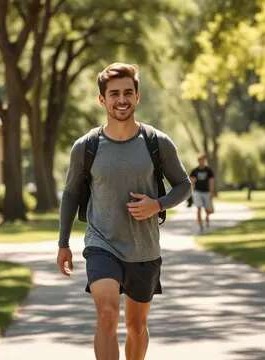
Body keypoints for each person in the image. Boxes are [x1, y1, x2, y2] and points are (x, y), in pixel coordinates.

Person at [57, 63, 191, 360]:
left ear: (137, 97)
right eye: (114, 93)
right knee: (106, 314)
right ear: (102, 99)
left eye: (128, 92)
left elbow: (184, 185)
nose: (122, 99)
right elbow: (71, 194)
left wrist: (158, 204)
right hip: (101, 243)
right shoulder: (86, 146)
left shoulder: (157, 142)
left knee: (136, 324)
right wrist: (63, 243)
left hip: (144, 248)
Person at [189, 155, 215, 232]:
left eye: (203, 160)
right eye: (200, 160)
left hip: (206, 192)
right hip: (197, 192)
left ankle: (207, 217)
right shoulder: (195, 171)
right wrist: (190, 192)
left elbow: (211, 181)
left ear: (205, 161)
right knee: (199, 208)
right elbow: (191, 182)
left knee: (208, 209)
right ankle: (200, 225)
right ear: (198, 161)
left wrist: (211, 192)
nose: (201, 161)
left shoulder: (209, 170)